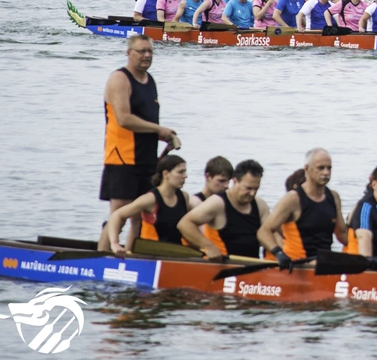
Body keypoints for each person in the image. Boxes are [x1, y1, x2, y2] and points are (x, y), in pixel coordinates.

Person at [97, 34, 178, 251]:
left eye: (150, 51)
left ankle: (131, 257)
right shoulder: (120, 79)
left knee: (142, 216)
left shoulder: (150, 80)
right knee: (119, 214)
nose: (147, 55)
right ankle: (100, 257)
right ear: (129, 53)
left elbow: (146, 121)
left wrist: (163, 135)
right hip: (122, 157)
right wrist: (157, 129)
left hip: (147, 158)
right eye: (141, 51)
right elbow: (124, 119)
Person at [258, 148, 348, 268]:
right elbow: (263, 232)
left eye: (329, 168)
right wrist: (278, 253)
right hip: (298, 265)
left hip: (323, 263)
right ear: (306, 168)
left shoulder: (334, 197)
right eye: (321, 168)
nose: (326, 172)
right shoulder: (293, 199)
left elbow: (342, 233)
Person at [177, 159, 270, 260]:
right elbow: (184, 224)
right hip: (223, 264)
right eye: (248, 188)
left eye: (256, 189)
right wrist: (207, 246)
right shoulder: (217, 203)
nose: (252, 193)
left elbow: (270, 232)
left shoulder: (260, 205)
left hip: (254, 265)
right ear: (235, 181)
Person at [105, 154, 194, 256]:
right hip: (150, 255)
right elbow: (116, 215)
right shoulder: (150, 199)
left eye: (185, 171)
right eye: (180, 172)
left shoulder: (184, 197)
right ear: (166, 174)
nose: (185, 176)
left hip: (176, 253)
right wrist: (115, 243)